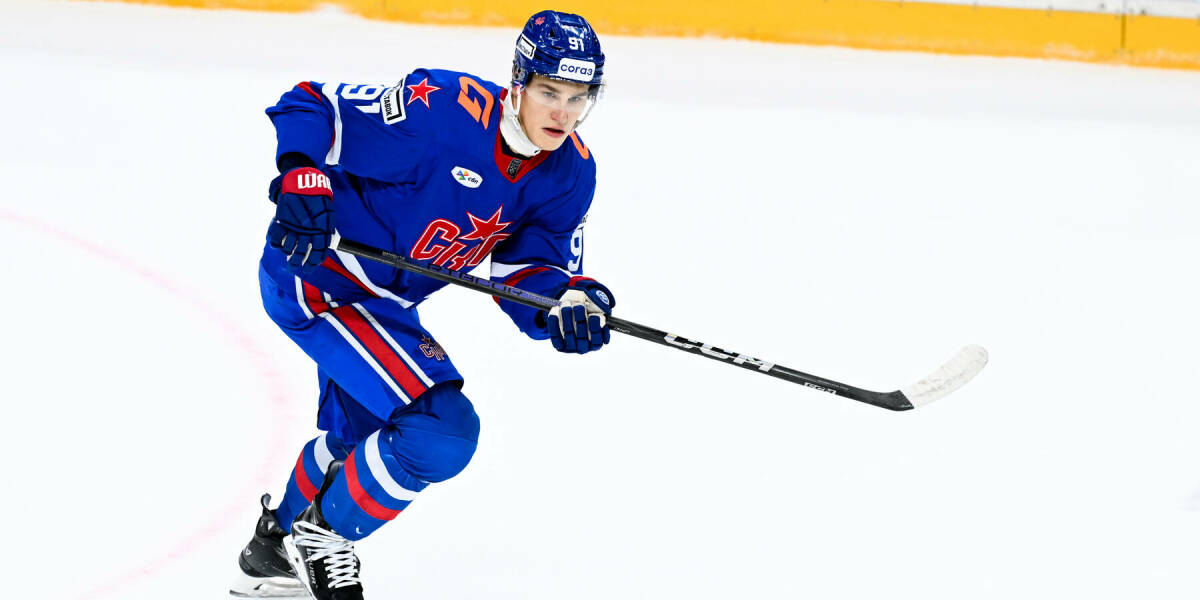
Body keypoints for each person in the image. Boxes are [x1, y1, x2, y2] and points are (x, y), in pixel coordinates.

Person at [229, 10, 613, 600]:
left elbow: (527, 271)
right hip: (317, 282)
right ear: (518, 82)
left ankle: (272, 549)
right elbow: (313, 104)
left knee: (362, 444)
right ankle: (322, 536)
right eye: (549, 92)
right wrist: (302, 174)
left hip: (384, 306)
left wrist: (566, 301)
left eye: (579, 98)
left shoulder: (570, 173)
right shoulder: (441, 114)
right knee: (441, 431)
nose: (563, 113)